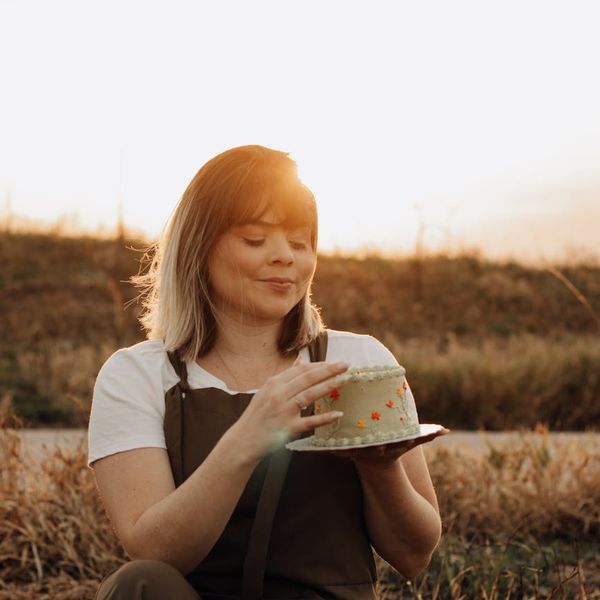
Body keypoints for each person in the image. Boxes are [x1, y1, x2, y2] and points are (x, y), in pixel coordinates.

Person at [88, 144, 444, 600]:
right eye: (255, 239)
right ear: (199, 247)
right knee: (138, 584)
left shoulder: (361, 362)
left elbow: (414, 556)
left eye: (300, 243)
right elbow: (155, 552)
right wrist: (247, 438)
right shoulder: (136, 375)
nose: (285, 258)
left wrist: (380, 467)